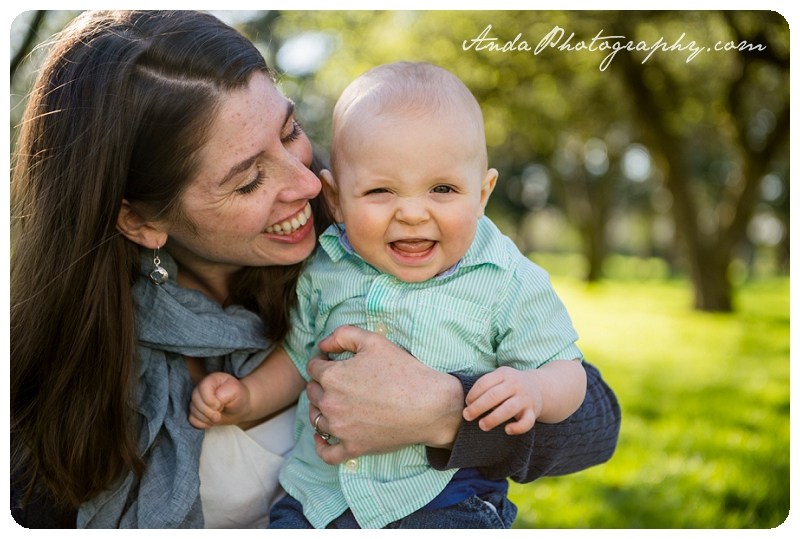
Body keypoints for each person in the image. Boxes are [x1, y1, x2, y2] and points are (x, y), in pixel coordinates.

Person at [10, 10, 621, 529]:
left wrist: (443, 412)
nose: (306, 183)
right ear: (141, 220)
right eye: (249, 179)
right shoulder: (51, 372)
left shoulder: (375, 232)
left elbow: (595, 422)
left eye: (292, 130)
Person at [189, 62, 589, 529]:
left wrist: (535, 389)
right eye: (381, 190)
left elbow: (567, 369)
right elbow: (299, 358)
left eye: (443, 188)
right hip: (317, 500)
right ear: (336, 200)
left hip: (444, 501)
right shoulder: (325, 266)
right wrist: (248, 397)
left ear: (482, 194)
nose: (414, 213)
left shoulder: (505, 278)